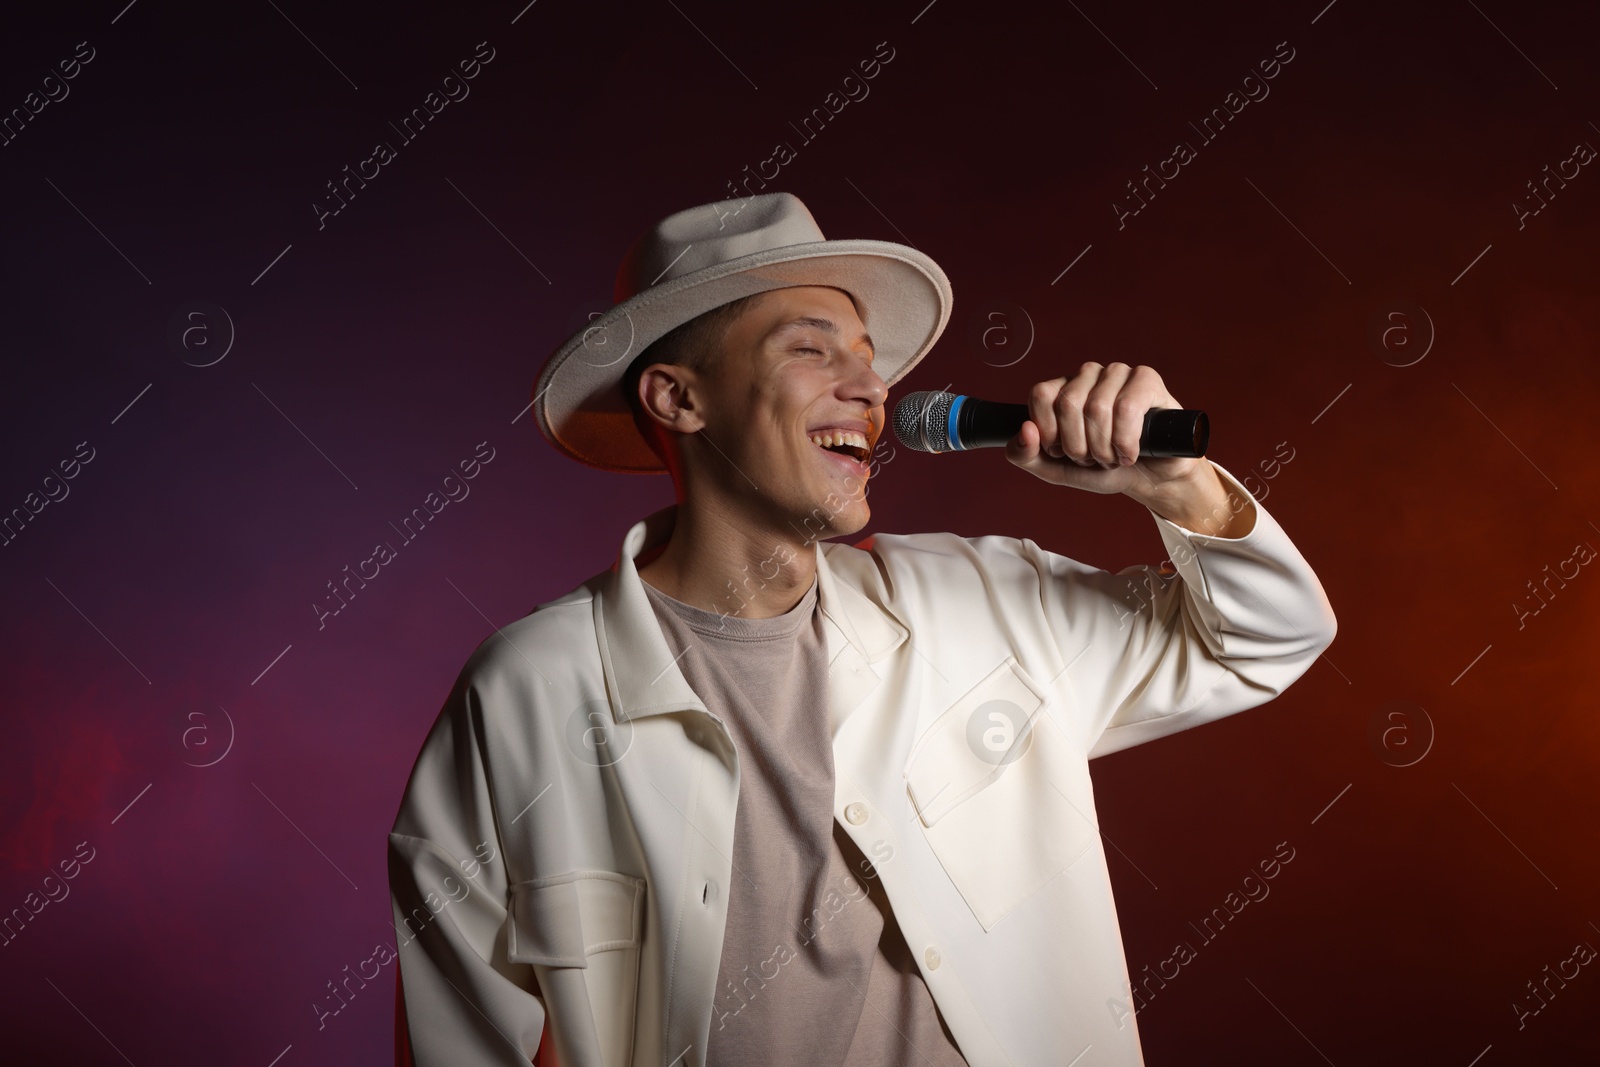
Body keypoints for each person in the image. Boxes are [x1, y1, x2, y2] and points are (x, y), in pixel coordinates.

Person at [387, 191, 1337, 1067]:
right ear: (678, 398)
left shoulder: (986, 597)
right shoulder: (529, 690)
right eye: (812, 348)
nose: (872, 387)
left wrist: (1175, 484)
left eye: (868, 353)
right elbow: (459, 1039)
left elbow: (1268, 638)